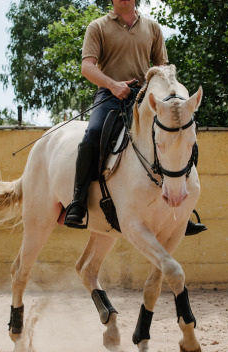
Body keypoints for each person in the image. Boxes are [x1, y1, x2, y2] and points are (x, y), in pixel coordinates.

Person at [64, 0, 206, 236]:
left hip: (145, 99)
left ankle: (183, 210)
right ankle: (78, 202)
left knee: (181, 138)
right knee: (93, 135)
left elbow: (163, 68)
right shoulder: (97, 27)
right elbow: (87, 68)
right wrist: (112, 85)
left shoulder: (152, 28)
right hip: (110, 96)